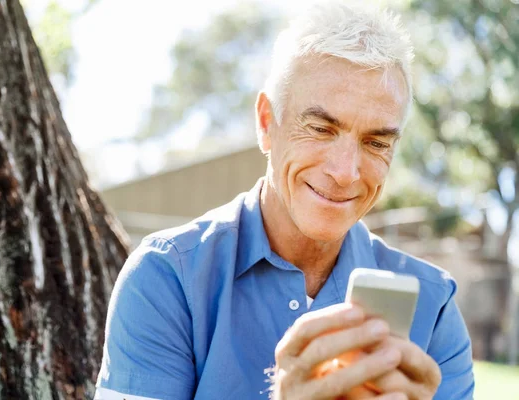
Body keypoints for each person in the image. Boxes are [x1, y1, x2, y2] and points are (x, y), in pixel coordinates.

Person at [94, 1, 474, 399]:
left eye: (376, 142)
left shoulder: (433, 307)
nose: (346, 172)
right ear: (265, 123)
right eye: (321, 129)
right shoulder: (167, 277)